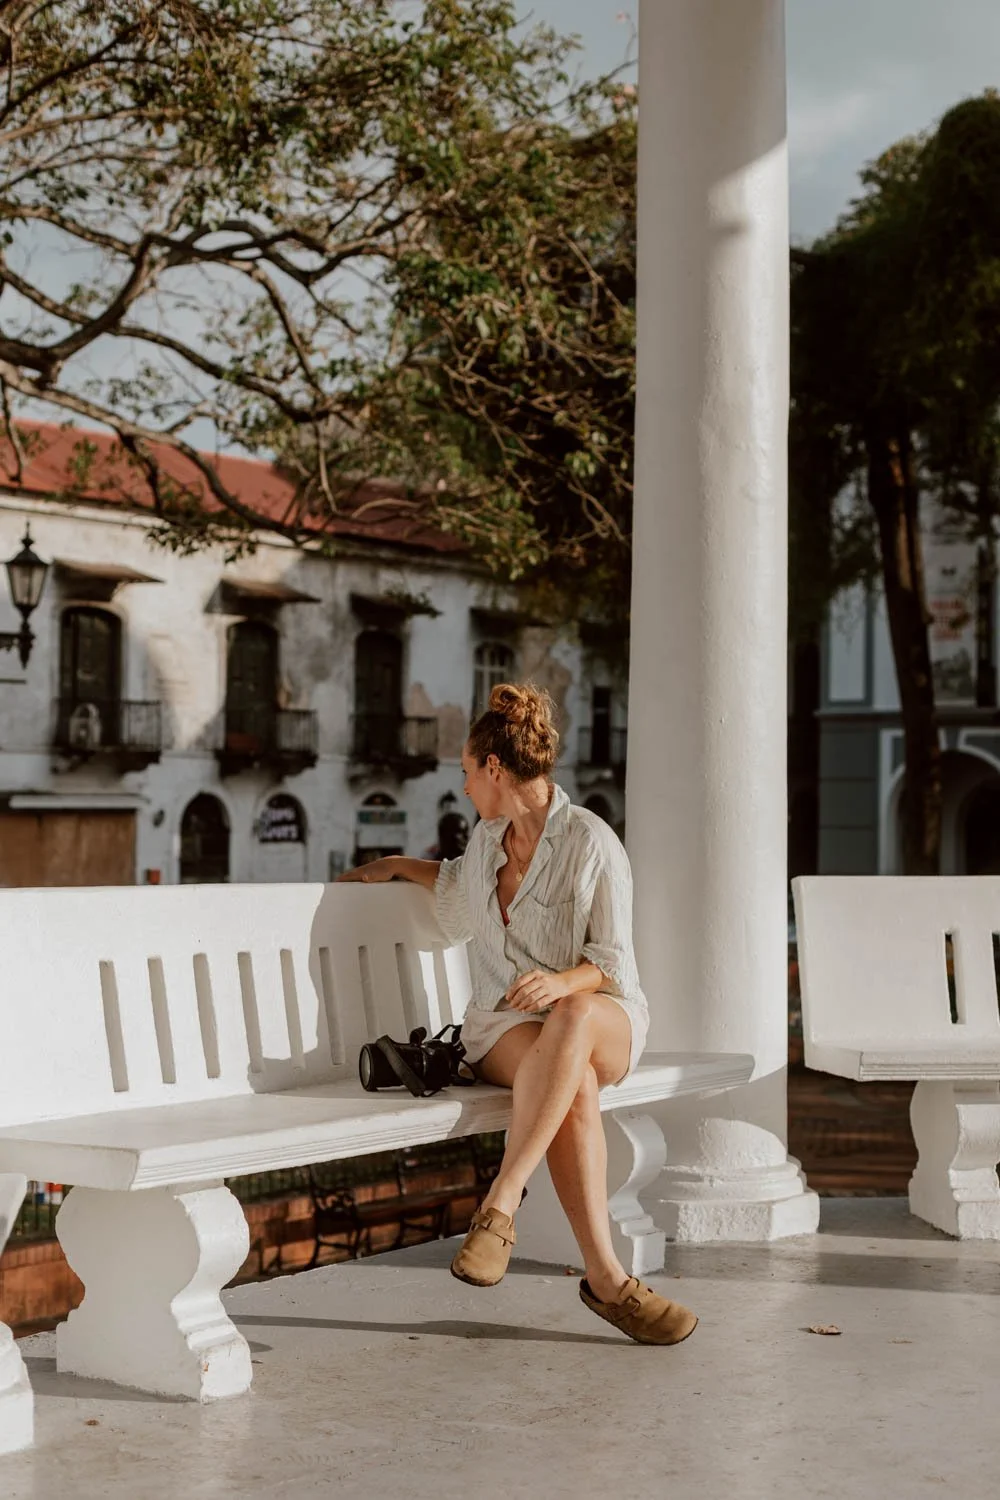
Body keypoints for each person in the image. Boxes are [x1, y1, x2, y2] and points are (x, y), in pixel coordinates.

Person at [338, 682, 696, 1345]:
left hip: (606, 1016)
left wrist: (563, 982)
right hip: (502, 1029)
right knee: (573, 1085)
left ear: (495, 769)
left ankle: (502, 1203)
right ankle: (609, 1282)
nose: (466, 788)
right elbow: (451, 899)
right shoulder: (483, 844)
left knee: (575, 1018)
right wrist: (391, 865)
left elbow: (613, 964)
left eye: (469, 774)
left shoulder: (592, 842)